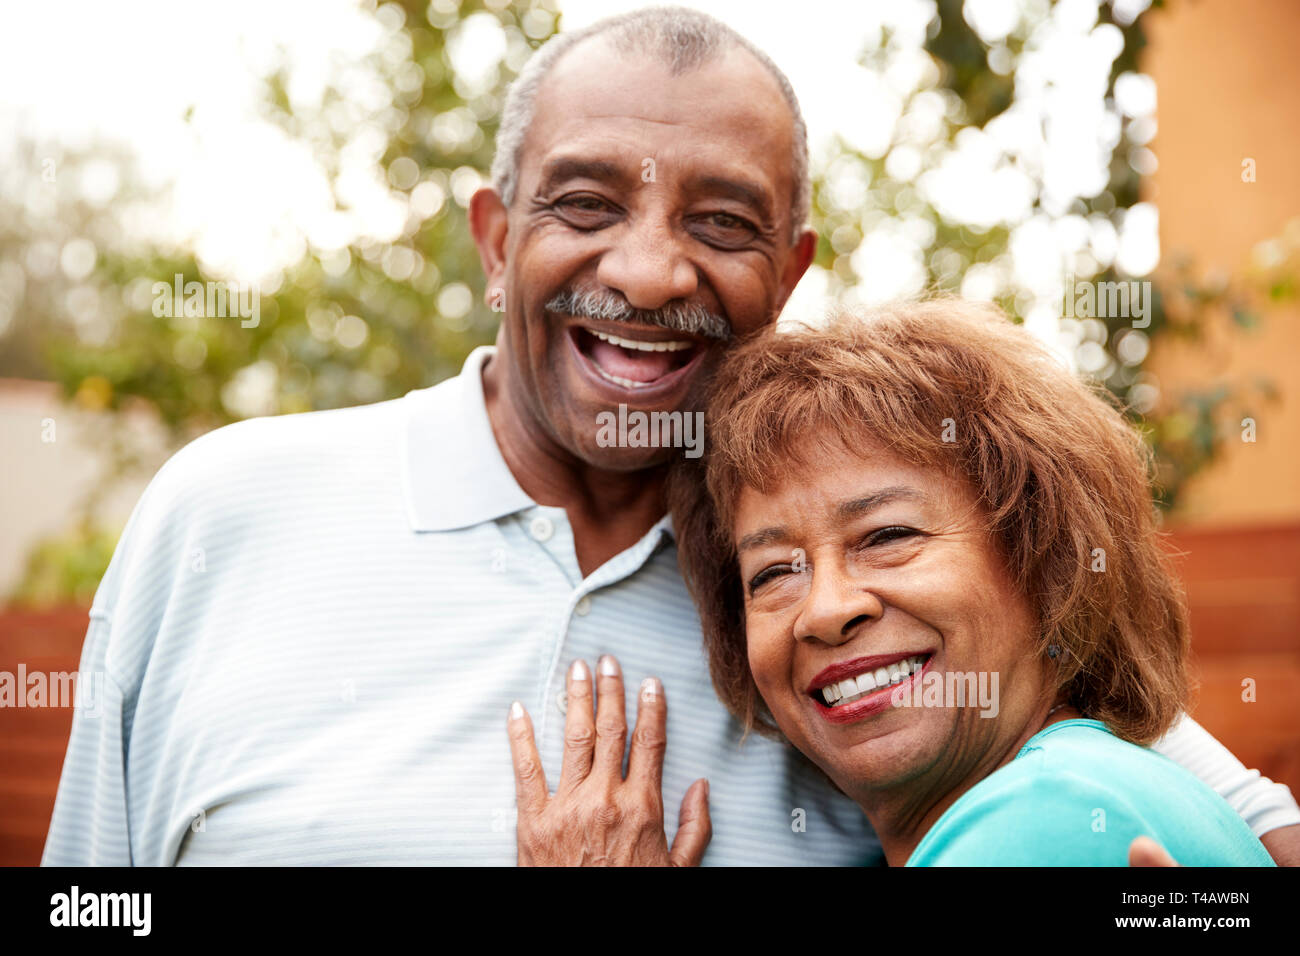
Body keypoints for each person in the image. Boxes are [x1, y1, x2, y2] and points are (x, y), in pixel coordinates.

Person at [44, 8, 1300, 866]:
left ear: (790, 273)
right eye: (586, 203)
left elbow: (1221, 824)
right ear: (494, 242)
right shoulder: (226, 513)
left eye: (722, 221)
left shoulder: (872, 636)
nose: (647, 274)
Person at [509, 299, 1279, 865]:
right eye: (773, 571)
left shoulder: (1046, 816)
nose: (828, 610)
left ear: (1045, 562)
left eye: (887, 536)